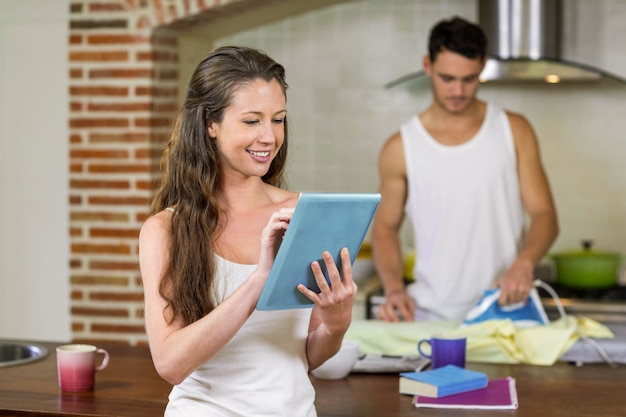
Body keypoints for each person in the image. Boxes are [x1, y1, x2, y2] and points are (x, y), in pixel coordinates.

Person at [138, 46, 356, 416]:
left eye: (278, 119)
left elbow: (306, 357)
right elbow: (170, 364)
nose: (269, 137)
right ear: (211, 123)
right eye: (252, 121)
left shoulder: (305, 214)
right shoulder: (166, 230)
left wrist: (336, 325)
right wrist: (259, 281)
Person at [372, 17, 559, 322]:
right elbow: (384, 228)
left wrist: (525, 263)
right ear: (427, 65)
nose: (458, 90)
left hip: (504, 311)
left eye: (469, 79)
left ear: (483, 66)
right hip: (431, 317)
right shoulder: (401, 147)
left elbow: (545, 215)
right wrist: (394, 289)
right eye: (447, 78)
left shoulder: (514, 130)